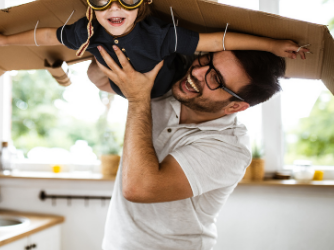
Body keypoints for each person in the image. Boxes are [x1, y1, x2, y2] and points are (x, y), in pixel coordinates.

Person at [0, 0, 308, 98]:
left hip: (163, 89)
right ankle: (80, 75)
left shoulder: (161, 35)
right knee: (93, 73)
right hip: (120, 87)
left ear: (143, 1)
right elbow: (47, 34)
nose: (115, 7)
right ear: (91, 0)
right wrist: (5, 41)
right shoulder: (89, 29)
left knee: (103, 68)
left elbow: (218, 41)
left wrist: (272, 45)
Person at [91, 45, 286, 249]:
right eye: (207, 59)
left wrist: (138, 97)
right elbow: (99, 78)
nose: (197, 72)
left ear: (234, 106)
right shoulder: (169, 87)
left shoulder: (230, 148)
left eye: (215, 79)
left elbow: (139, 188)